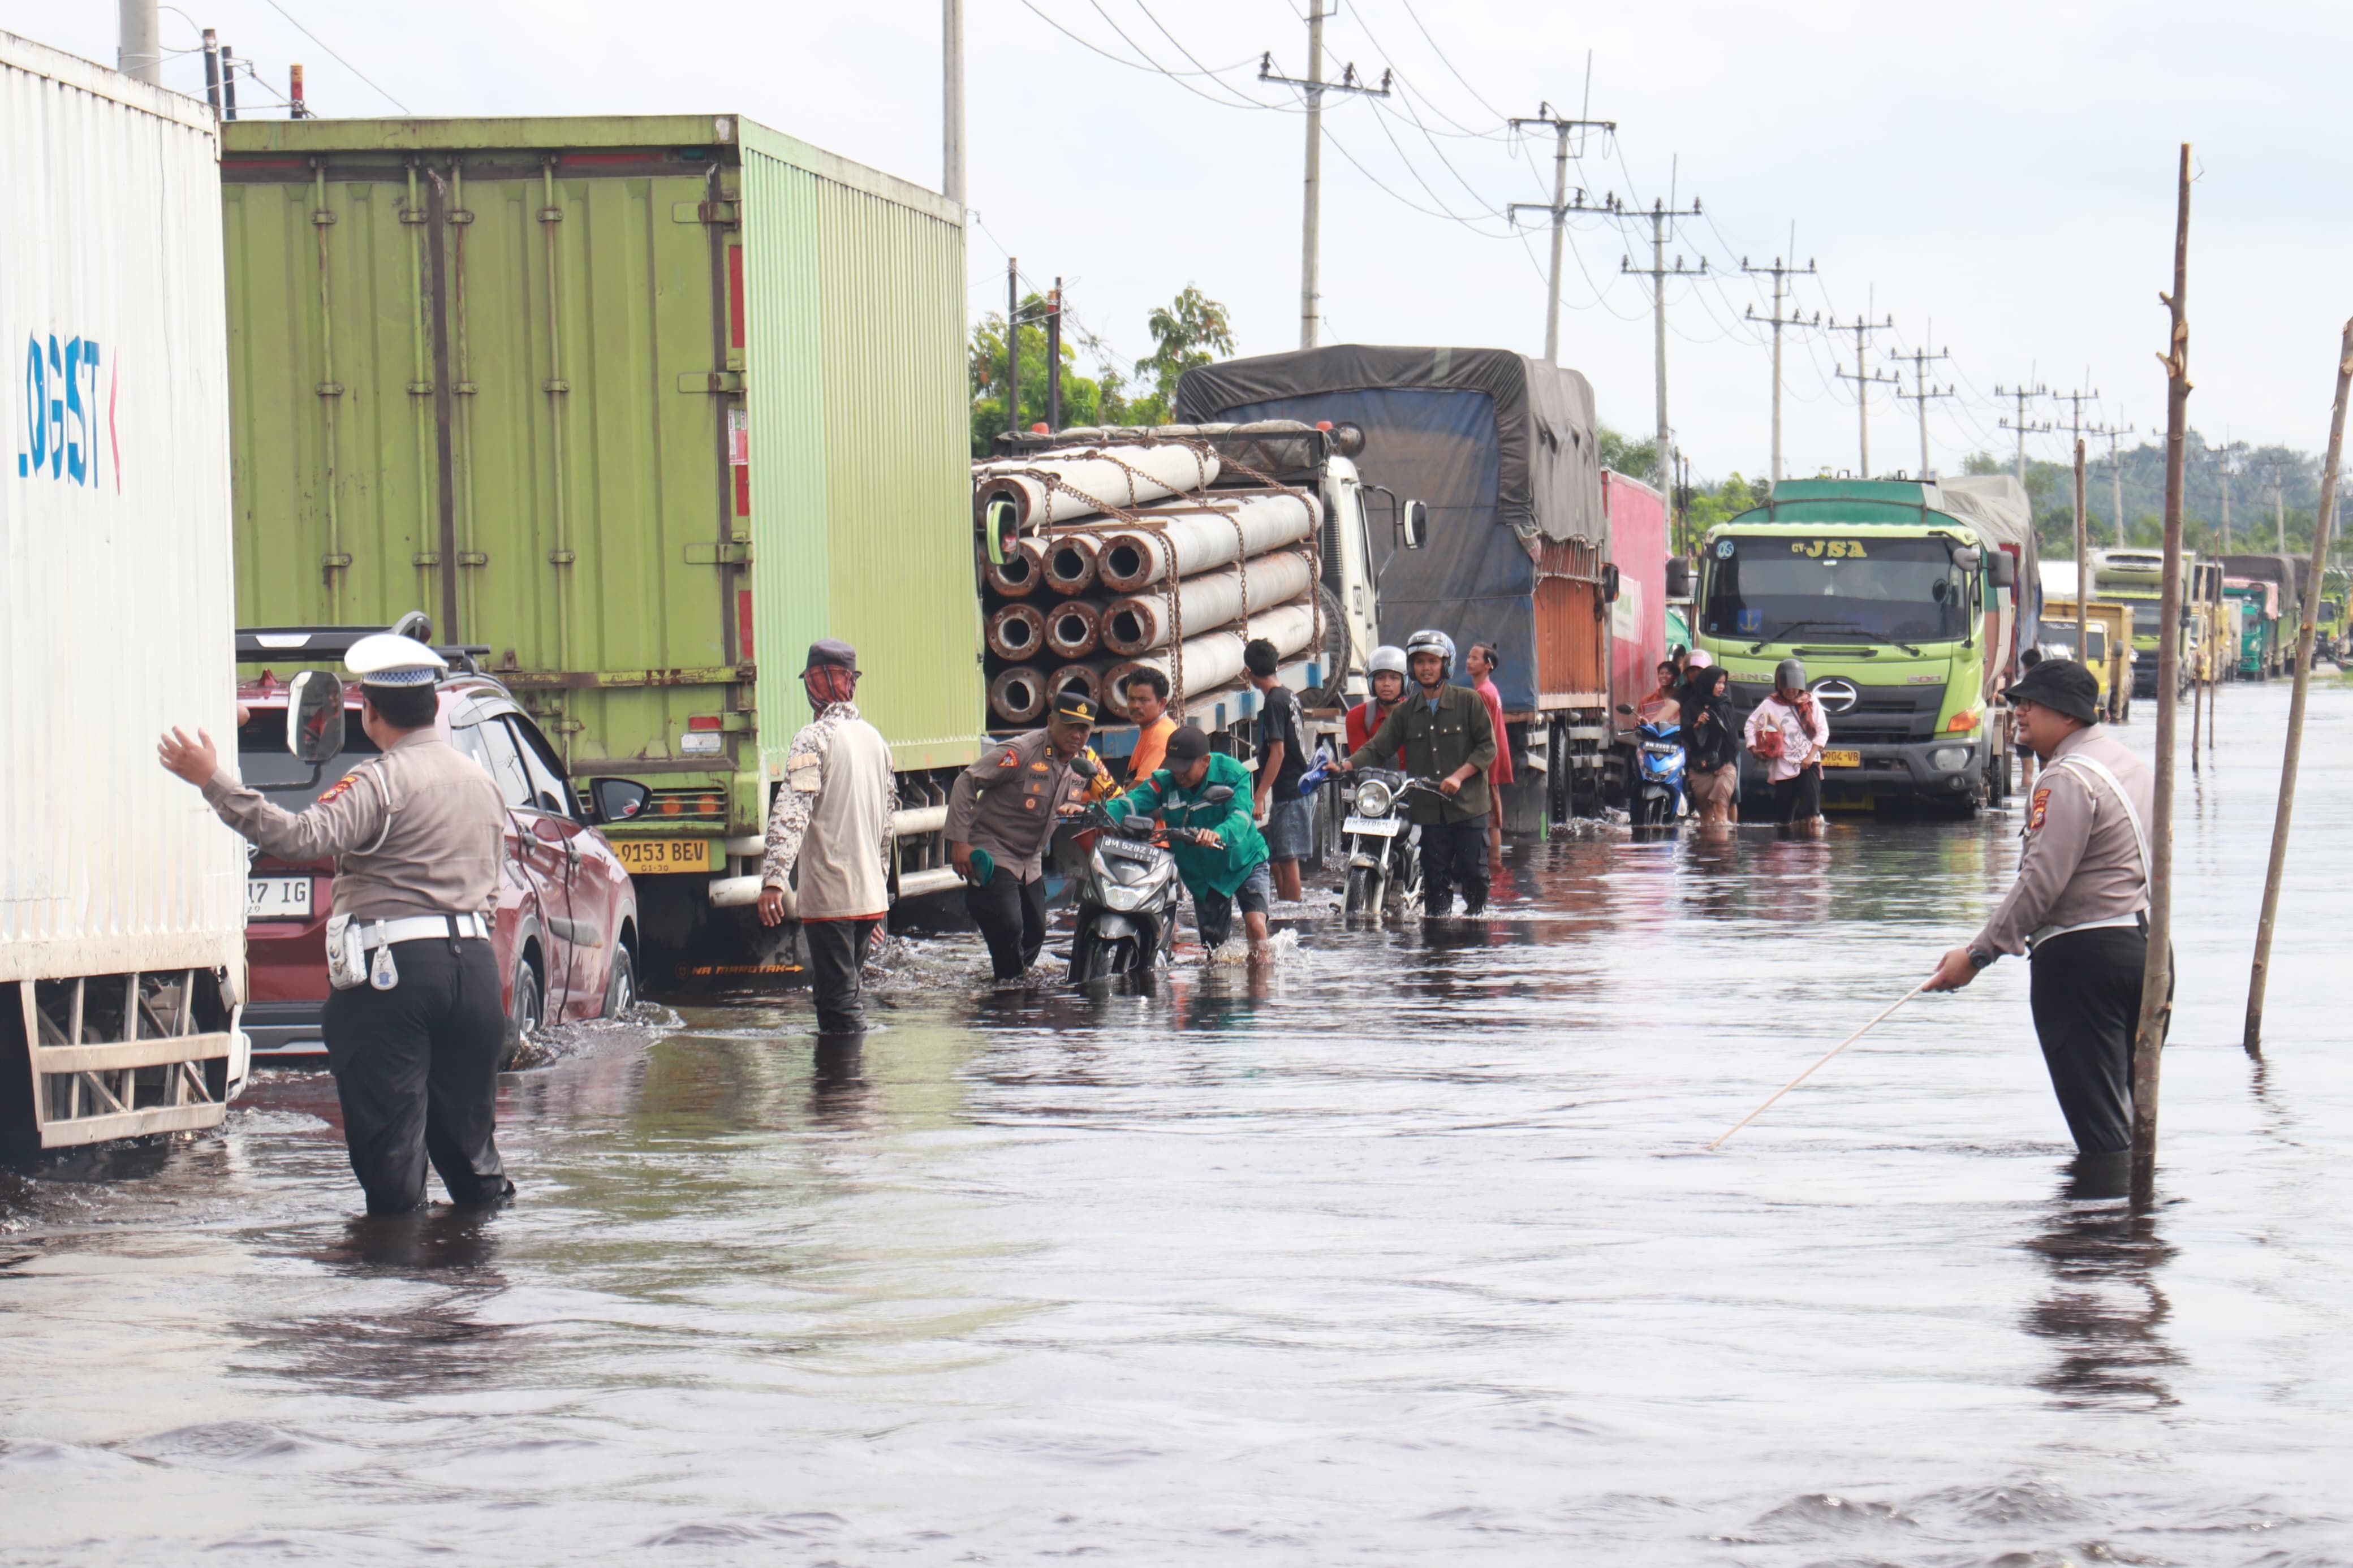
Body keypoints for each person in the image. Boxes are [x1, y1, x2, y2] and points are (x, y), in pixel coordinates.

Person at [156, 633, 513, 1217]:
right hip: (474, 972)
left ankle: (393, 1296)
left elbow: (300, 838)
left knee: (392, 1161)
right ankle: (480, 1286)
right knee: (472, 1154)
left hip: (394, 977)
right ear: (431, 707)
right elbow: (493, 887)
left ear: (370, 714)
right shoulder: (481, 783)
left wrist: (211, 780)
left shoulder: (382, 781)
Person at [1923, 660, 2156, 1155]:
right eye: (2017, 701)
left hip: (2081, 959)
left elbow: (2040, 883)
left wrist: (1978, 954)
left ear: (2069, 715)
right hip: (2145, 951)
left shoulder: (2066, 778)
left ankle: (2103, 1229)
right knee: (2135, 1119)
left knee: (2102, 1131)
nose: (2018, 711)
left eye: (2031, 703)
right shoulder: (2130, 765)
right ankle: (2137, 1225)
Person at [756, 640, 897, 1035]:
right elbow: (887, 828)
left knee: (839, 1003)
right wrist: (879, 897)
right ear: (851, 683)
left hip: (832, 898)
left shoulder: (812, 738)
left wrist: (773, 880)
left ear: (816, 683)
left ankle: (850, 1093)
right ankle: (840, 1091)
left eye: (816, 680)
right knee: (839, 993)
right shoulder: (876, 741)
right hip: (866, 900)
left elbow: (792, 812)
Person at [946, 692, 1114, 980]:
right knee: (1009, 925)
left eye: (1083, 729)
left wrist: (1088, 810)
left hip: (1031, 857)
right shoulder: (1021, 752)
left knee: (1036, 931)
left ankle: (1009, 982)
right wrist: (959, 842)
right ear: (1051, 722)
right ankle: (1007, 995)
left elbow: (1114, 797)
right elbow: (966, 782)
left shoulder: (1085, 762)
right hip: (994, 847)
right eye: (1069, 726)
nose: (1077, 735)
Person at [1337, 628, 1498, 915]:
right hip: (1430, 812)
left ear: (1445, 665)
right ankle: (1437, 946)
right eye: (1420, 662)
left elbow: (1487, 748)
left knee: (1474, 874)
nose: (1426, 668)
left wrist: (1458, 777)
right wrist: (1344, 766)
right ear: (1412, 668)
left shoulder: (1469, 701)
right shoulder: (1405, 712)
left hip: (1469, 807)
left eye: (1433, 662)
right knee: (1435, 882)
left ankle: (1477, 937)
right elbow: (1377, 748)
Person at [1102, 724, 1272, 955]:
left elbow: (1241, 816)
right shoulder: (1164, 782)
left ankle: (1261, 988)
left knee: (1256, 927)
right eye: (1174, 768)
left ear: (1206, 761)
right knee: (1216, 952)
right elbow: (1132, 802)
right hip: (1204, 877)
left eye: (1185, 768)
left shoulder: (1233, 774)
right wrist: (1096, 811)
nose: (1179, 775)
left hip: (1245, 862)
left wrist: (1218, 833)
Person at [1244, 638, 1311, 904]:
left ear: (1248, 673)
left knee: (1288, 857)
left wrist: (1260, 795)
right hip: (1297, 786)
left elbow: (1278, 752)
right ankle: (1284, 908)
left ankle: (1294, 916)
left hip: (1290, 789)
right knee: (1280, 856)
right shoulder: (1289, 695)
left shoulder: (1273, 702)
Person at [1743, 658, 1830, 826]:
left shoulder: (1812, 702)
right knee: (1784, 816)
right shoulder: (1770, 704)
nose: (1791, 691)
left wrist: (1810, 756)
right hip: (1783, 764)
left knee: (1812, 813)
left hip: (1809, 761)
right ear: (1779, 685)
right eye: (1787, 688)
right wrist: (1753, 748)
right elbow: (1751, 725)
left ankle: (1810, 850)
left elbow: (1822, 731)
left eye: (1794, 687)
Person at [1464, 640, 1514, 877]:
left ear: (1488, 665)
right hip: (1492, 758)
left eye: (1475, 658)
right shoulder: (1489, 690)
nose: (1469, 661)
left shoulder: (1483, 693)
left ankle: (1494, 866)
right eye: (1469, 657)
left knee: (1492, 817)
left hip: (1487, 761)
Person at [1680, 664, 1740, 830]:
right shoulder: (1692, 705)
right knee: (1705, 814)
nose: (1721, 687)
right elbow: (1684, 734)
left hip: (1724, 766)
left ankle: (1723, 852)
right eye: (1718, 683)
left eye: (1723, 683)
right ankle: (1707, 852)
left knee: (1721, 807)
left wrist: (1724, 764)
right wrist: (1697, 725)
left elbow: (1731, 738)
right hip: (1700, 766)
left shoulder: (1725, 704)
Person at [1346, 644, 1410, 770]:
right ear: (1371, 682)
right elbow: (1362, 764)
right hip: (1374, 787)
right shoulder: (1358, 716)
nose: (1387, 684)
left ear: (1405, 682)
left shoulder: (1417, 713)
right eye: (1380, 678)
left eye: (1394, 678)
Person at [1122, 668, 1178, 785]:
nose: (1135, 706)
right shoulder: (1151, 728)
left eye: (1143, 700)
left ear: (1162, 703)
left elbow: (1142, 789)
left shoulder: (1159, 736)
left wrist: (1113, 804)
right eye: (1131, 699)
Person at [1637, 660, 1683, 724]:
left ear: (1675, 678)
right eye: (1661, 674)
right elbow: (1639, 723)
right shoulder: (1645, 701)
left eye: (1668, 674)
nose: (1664, 676)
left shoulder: (1682, 698)